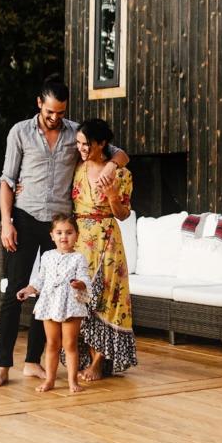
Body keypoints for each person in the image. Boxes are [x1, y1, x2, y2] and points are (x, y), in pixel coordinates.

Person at [0, 75, 128, 389]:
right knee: (13, 293)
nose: (55, 117)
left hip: (59, 227)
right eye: (50, 111)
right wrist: (6, 221)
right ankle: (2, 366)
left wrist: (110, 167)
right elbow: (7, 181)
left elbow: (118, 153)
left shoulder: (75, 134)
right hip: (24, 219)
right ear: (39, 103)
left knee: (51, 293)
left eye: (61, 113)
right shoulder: (19, 132)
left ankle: (32, 362)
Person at [72, 118, 137, 380]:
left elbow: (122, 214)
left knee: (108, 300)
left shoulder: (121, 175)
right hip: (79, 241)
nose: (82, 149)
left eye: (86, 144)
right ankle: (85, 356)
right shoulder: (76, 167)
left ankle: (99, 362)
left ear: (101, 143)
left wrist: (111, 195)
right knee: (82, 299)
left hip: (108, 241)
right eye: (78, 143)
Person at [15, 213, 91, 393]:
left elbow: (84, 279)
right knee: (52, 344)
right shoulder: (47, 256)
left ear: (77, 236)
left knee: (70, 344)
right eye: (59, 233)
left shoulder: (79, 258)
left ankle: (73, 381)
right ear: (52, 236)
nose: (64, 236)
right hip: (49, 303)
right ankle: (50, 380)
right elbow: (41, 279)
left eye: (69, 232)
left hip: (71, 305)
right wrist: (28, 289)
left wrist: (80, 284)